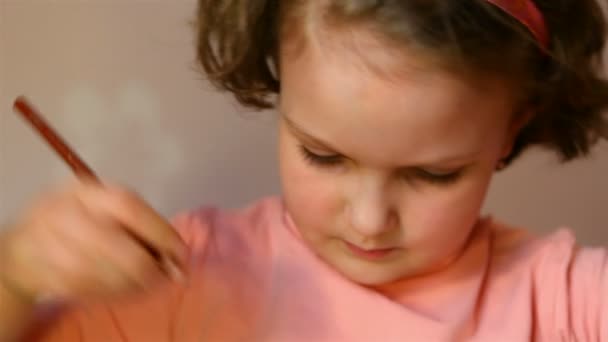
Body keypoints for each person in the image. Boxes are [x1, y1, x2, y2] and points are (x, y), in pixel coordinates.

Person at [1, 0, 607, 340]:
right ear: (278, 80)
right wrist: (14, 278)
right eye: (324, 156)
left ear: (511, 129)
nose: (370, 222)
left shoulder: (556, 299)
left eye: (433, 175)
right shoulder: (187, 275)